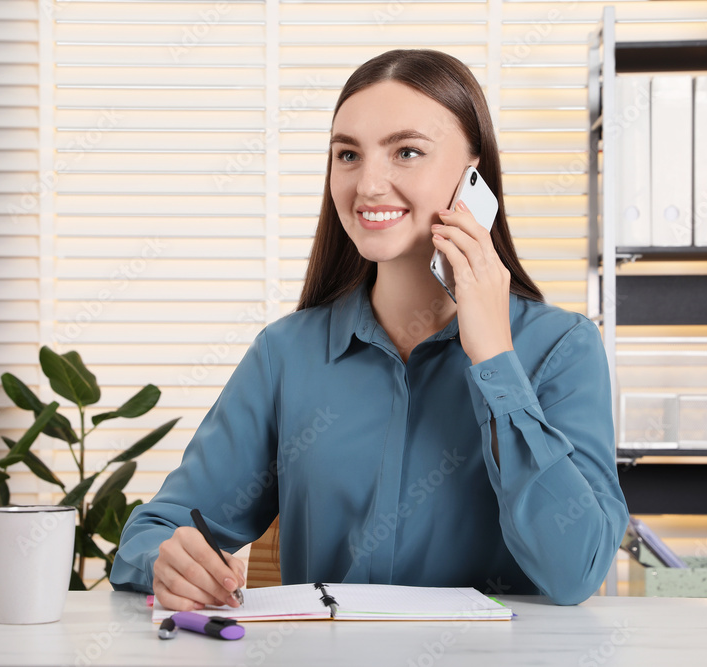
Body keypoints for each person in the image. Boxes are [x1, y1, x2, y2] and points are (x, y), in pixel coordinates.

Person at [110, 49, 628, 608]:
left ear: (472, 174)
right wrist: (167, 562)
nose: (369, 184)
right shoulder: (285, 355)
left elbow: (577, 570)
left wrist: (495, 361)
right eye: (348, 154)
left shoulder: (561, 349)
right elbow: (152, 534)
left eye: (407, 152)